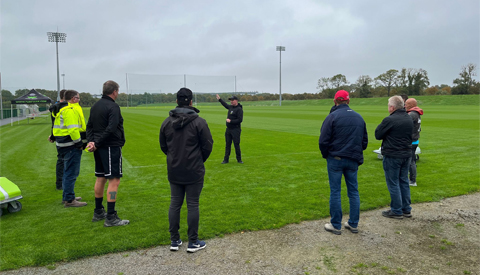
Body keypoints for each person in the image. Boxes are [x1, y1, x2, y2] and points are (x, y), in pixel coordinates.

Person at [160, 88, 213, 253]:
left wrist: (175, 158)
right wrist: (197, 160)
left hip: (175, 168)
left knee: (175, 203)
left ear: (177, 101)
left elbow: (164, 146)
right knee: (192, 204)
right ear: (191, 102)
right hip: (193, 169)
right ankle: (193, 241)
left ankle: (175, 240)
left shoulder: (167, 122)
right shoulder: (199, 122)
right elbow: (208, 145)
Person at [319, 90, 368, 235]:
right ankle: (353, 223)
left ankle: (336, 224)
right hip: (352, 159)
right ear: (348, 101)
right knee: (353, 191)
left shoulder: (332, 116)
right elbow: (364, 141)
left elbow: (323, 140)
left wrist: (326, 154)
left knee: (335, 191)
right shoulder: (359, 117)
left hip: (336, 159)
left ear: (335, 101)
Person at [86, 80, 129, 227]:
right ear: (115, 91)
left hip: (99, 148)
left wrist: (92, 142)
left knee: (100, 178)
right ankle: (111, 216)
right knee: (114, 180)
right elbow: (111, 128)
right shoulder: (113, 106)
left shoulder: (95, 106)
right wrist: (96, 143)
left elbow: (89, 126)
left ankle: (98, 211)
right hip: (110, 147)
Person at [375, 95, 413, 219]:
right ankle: (406, 208)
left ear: (392, 107)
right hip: (406, 153)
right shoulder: (408, 118)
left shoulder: (390, 120)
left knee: (393, 182)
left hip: (393, 154)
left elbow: (378, 134)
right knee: (404, 181)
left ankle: (396, 210)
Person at [52, 90, 87, 208]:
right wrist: (79, 144)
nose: (79, 100)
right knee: (71, 172)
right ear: (73, 99)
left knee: (67, 171)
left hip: (62, 144)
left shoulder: (60, 109)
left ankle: (67, 196)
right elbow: (73, 129)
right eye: (78, 98)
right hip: (69, 145)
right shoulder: (69, 110)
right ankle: (69, 199)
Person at [215, 94, 243, 164]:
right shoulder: (230, 107)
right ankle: (226, 159)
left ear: (236, 101)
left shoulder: (239, 109)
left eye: (232, 100)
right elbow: (225, 105)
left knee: (236, 144)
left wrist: (231, 121)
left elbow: (240, 120)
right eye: (230, 100)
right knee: (227, 145)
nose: (231, 102)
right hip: (228, 129)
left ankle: (239, 159)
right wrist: (219, 99)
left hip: (236, 130)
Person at [48, 89, 66, 190]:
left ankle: (60, 182)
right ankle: (61, 183)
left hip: (58, 137)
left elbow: (54, 125)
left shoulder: (55, 108)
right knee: (63, 161)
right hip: (65, 138)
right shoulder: (63, 108)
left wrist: (53, 136)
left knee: (61, 160)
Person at [405, 98, 423, 187]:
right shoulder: (416, 113)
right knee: (412, 160)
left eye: (406, 104)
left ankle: (412, 180)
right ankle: (410, 178)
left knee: (411, 161)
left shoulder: (412, 114)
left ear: (411, 105)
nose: (405, 105)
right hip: (415, 140)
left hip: (411, 141)